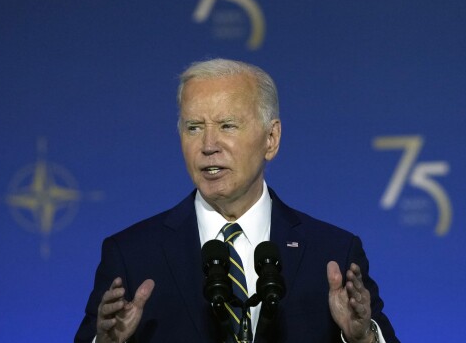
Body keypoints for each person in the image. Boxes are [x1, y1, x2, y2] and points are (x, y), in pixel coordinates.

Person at [75, 59, 399, 343]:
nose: (208, 145)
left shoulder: (332, 254)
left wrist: (362, 339)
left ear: (271, 140)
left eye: (227, 125)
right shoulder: (132, 255)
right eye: (194, 127)